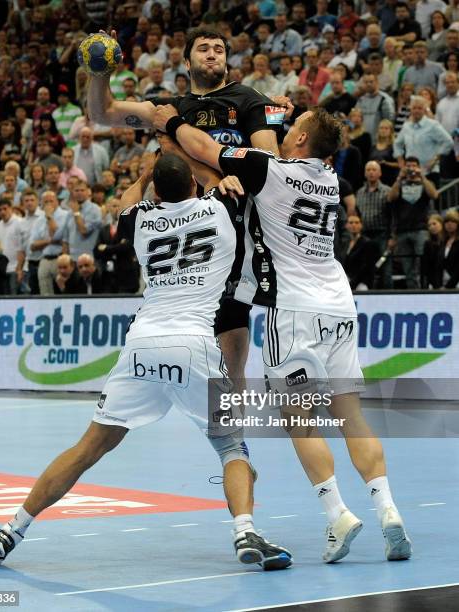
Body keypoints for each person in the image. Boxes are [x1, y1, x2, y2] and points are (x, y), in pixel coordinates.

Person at [0, 154, 291, 571]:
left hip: (143, 342)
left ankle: (10, 529)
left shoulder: (142, 220)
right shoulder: (219, 209)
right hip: (194, 341)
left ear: (156, 192)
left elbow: (128, 197)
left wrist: (147, 172)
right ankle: (245, 532)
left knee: (89, 446)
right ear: (195, 187)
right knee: (230, 444)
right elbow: (220, 175)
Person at [154, 105, 412, 563]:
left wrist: (172, 125)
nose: (287, 130)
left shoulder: (266, 169)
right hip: (339, 302)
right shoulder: (331, 180)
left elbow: (205, 149)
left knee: (301, 419)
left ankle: (337, 515)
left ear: (300, 139)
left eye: (294, 126)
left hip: (292, 311)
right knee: (352, 416)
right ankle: (389, 511)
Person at [88, 26, 290, 385]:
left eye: (218, 50)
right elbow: (103, 113)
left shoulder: (249, 100)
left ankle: (233, 404)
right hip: (181, 234)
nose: (212, 54)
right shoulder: (169, 108)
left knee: (230, 324)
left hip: (232, 226)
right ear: (186, 61)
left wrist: (186, 152)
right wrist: (99, 71)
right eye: (203, 49)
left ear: (227, 62)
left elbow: (268, 160)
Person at [388, 156, 439, 288]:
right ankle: (413, 291)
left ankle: (425, 288)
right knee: (407, 267)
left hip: (421, 229)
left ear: (418, 167)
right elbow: (390, 197)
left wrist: (422, 176)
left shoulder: (425, 183)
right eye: (408, 166)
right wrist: (399, 178)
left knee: (423, 263)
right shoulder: (400, 183)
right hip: (402, 230)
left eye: (414, 166)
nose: (411, 169)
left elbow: (434, 195)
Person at [341, 215, 379, 290]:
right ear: (346, 225)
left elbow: (366, 267)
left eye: (357, 222)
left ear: (361, 225)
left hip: (362, 282)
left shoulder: (367, 243)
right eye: (351, 222)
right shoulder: (344, 243)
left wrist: (352, 283)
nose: (354, 225)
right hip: (346, 279)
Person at [421, 213, 445, 288]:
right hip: (434, 282)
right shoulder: (427, 244)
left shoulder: (448, 242)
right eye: (429, 225)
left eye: (434, 224)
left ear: (442, 224)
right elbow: (425, 267)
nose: (431, 227)